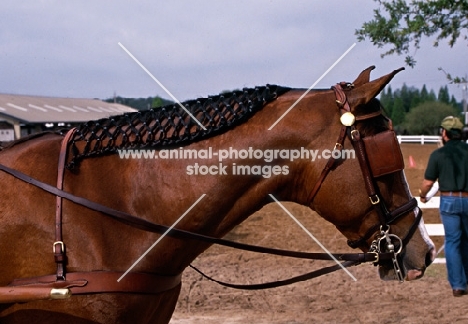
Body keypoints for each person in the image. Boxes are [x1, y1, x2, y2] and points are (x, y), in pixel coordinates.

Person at [419, 116, 468, 297]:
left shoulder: (438, 155)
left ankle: (458, 285)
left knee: (453, 242)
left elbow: (427, 183)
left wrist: (423, 195)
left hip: (449, 200)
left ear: (444, 133)